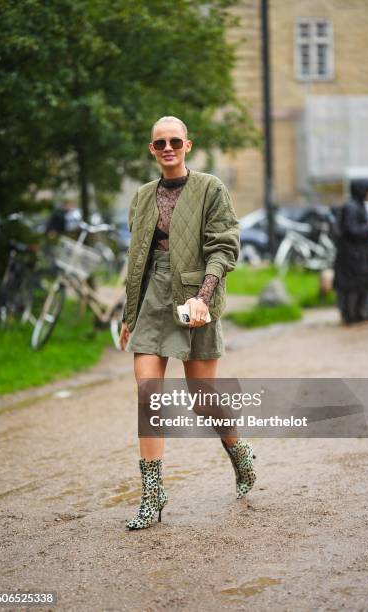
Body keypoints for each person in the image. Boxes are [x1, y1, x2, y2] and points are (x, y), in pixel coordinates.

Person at [119, 116, 256, 530]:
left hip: (195, 298)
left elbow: (224, 246)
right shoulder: (143, 196)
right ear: (152, 149)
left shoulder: (211, 188)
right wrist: (129, 314)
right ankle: (153, 494)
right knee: (148, 396)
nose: (167, 147)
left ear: (188, 145)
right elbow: (137, 259)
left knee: (202, 398)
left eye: (174, 140)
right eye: (159, 142)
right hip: (151, 301)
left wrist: (203, 297)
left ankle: (239, 453)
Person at [333, 179, 368, 324]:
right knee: (352, 287)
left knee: (361, 285)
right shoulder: (351, 207)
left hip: (359, 254)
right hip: (351, 256)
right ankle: (350, 317)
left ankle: (358, 314)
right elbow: (350, 230)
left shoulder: (358, 205)